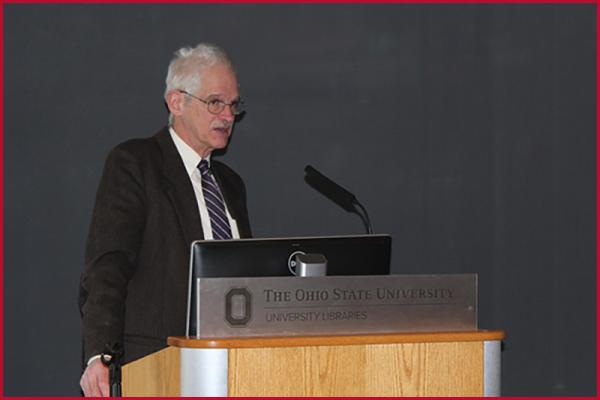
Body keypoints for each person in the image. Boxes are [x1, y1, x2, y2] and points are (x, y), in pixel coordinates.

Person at [78, 43, 252, 397]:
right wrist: (100, 353)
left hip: (233, 367)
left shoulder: (231, 185)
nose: (228, 116)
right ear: (177, 102)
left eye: (233, 105)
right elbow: (107, 265)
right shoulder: (137, 164)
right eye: (215, 102)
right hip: (157, 366)